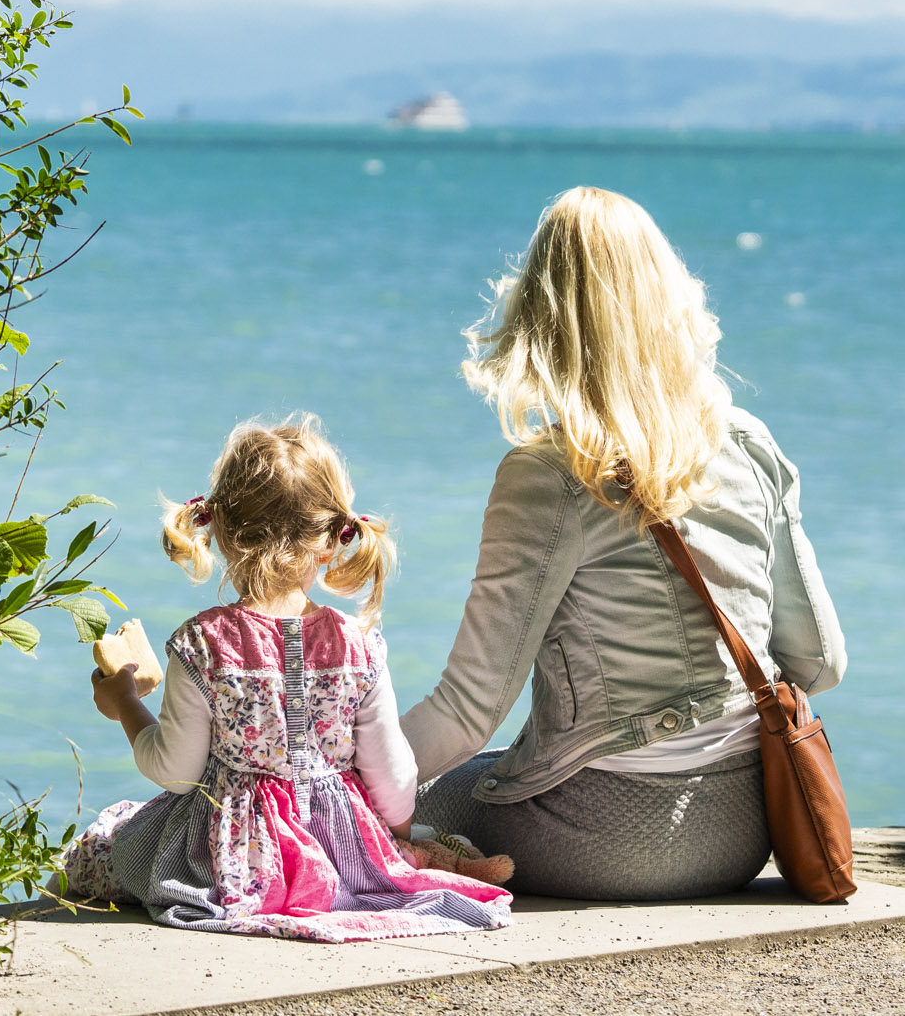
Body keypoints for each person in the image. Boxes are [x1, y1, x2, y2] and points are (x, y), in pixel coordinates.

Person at [402, 186, 848, 901]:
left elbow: (467, 709)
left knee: (406, 797)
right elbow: (820, 663)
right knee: (470, 771)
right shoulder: (750, 445)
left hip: (603, 839)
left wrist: (328, 777)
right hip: (746, 830)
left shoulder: (551, 473)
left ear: (540, 316)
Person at [61, 415, 513, 942]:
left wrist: (126, 706)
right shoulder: (359, 645)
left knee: (96, 847)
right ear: (332, 539)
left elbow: (177, 773)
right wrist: (390, 847)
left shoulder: (203, 644)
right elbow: (393, 780)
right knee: (417, 843)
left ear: (221, 531)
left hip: (232, 862)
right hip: (342, 855)